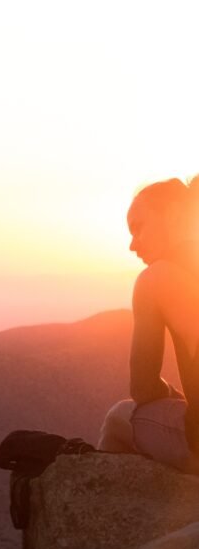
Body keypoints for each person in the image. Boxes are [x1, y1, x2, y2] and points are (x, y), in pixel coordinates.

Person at [99, 177, 199, 472]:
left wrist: (171, 394)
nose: (132, 244)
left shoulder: (157, 277)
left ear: (172, 214)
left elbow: (143, 388)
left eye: (138, 227)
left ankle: (107, 509)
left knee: (119, 416)